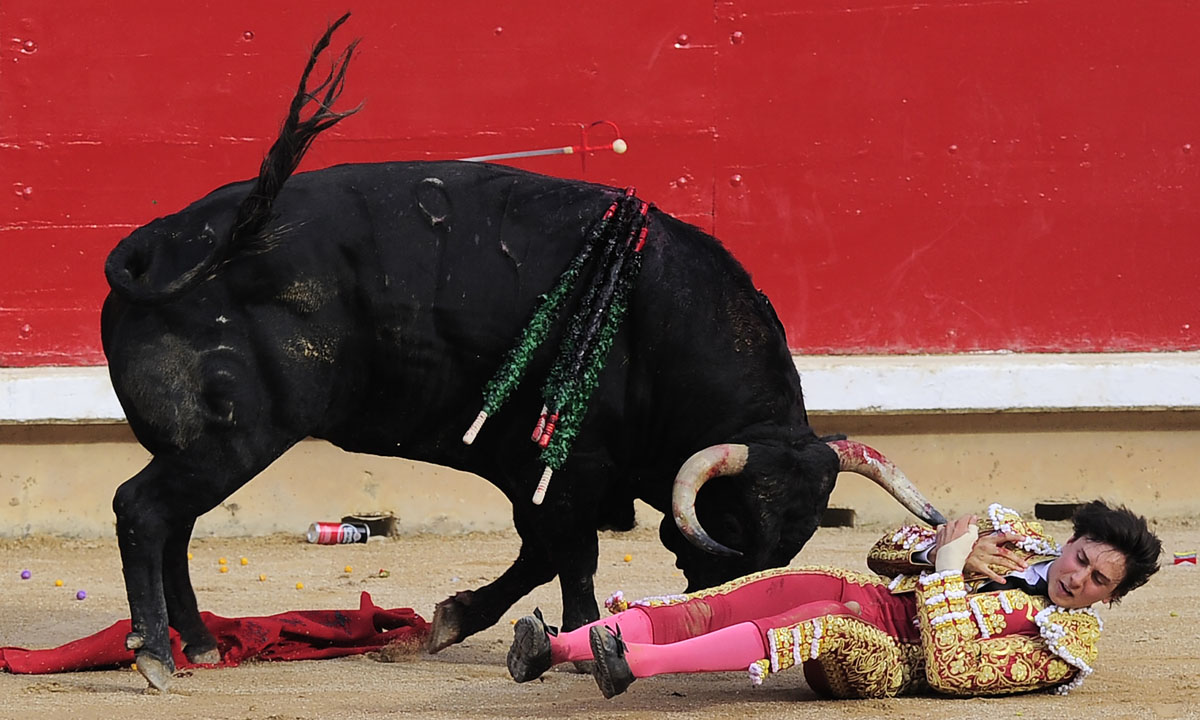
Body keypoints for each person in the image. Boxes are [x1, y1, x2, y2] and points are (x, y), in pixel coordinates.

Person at [506, 500, 1161, 699]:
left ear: (1111, 596)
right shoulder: (1014, 536)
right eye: (1082, 560)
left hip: (888, 663)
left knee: (826, 620)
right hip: (874, 599)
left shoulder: (1067, 645)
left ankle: (634, 664)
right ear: (1072, 541)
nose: (1078, 579)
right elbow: (883, 551)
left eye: (1099, 581)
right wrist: (937, 550)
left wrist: (943, 576)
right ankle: (558, 647)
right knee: (767, 591)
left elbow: (953, 671)